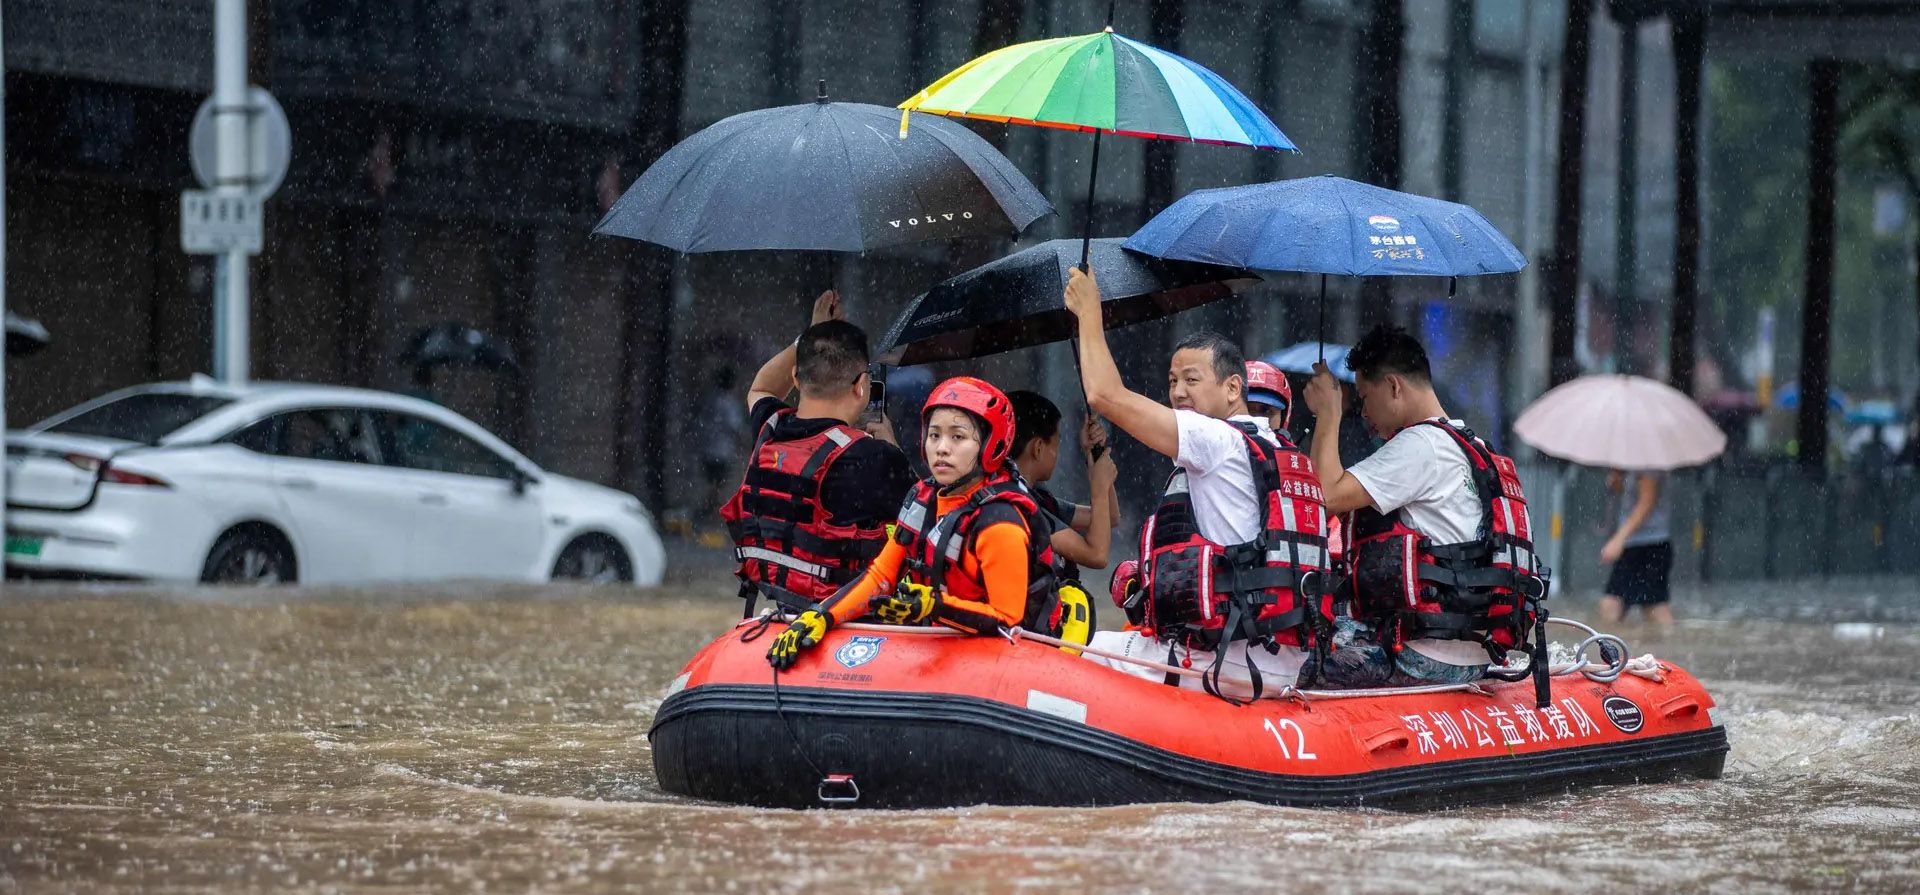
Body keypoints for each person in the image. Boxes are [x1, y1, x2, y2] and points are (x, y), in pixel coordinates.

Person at [1063, 268, 1333, 701]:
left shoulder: (1216, 438)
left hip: (1228, 661)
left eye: (1192, 379)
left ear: (1232, 388)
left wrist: (1089, 313)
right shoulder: (1278, 450)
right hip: (1282, 656)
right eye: (1172, 381)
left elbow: (1104, 395)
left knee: (1082, 649)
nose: (1178, 393)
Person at [767, 377, 1067, 670]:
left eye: (958, 437)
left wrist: (935, 606)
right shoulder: (923, 499)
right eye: (934, 435)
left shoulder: (1000, 522)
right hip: (944, 640)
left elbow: (1006, 619)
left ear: (990, 445)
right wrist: (822, 615)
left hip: (1006, 659)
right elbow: (882, 576)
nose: (941, 448)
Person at [1302, 324, 1543, 687]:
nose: (1363, 413)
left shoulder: (1420, 446)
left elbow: (1324, 498)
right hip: (1476, 650)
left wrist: (1329, 413)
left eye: (1365, 398)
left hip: (1424, 656)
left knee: (1299, 655)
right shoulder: (1472, 445)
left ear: (1394, 386)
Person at [721, 290, 914, 617]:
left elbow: (762, 387)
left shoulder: (770, 431)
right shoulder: (876, 458)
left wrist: (809, 336)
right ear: (861, 385)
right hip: (847, 622)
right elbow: (924, 519)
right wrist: (890, 443)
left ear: (796, 376)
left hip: (780, 608)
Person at [1008, 390, 1120, 576]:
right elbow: (1096, 555)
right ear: (1038, 448)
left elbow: (1110, 517)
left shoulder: (1037, 497)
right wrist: (1098, 487)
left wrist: (1094, 454)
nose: (1056, 453)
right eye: (1056, 443)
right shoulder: (1020, 506)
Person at [1598, 469, 1674, 631]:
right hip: (1637, 544)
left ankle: (1671, 646)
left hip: (1649, 545)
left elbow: (1647, 502)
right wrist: (1618, 479)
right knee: (1645, 606)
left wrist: (1619, 539)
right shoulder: (1633, 463)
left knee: (1650, 607)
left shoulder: (1648, 462)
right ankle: (1663, 644)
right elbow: (1632, 495)